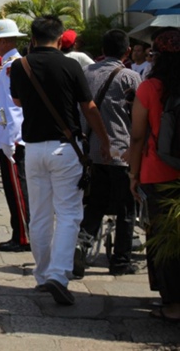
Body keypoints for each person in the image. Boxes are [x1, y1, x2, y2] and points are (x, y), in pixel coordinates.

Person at [9, 16, 110, 306]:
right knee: (68, 214)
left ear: (33, 37)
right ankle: (57, 274)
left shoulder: (20, 65)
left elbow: (17, 101)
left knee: (39, 214)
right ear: (60, 37)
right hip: (65, 148)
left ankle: (42, 274)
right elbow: (88, 107)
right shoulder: (70, 65)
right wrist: (103, 140)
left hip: (33, 148)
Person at [73, 29, 141, 278]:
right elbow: (138, 118)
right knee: (126, 210)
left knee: (95, 204)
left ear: (102, 50)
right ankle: (121, 261)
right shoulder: (131, 78)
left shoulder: (85, 73)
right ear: (127, 51)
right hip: (121, 153)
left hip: (91, 151)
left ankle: (82, 244)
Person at [128, 28, 180, 322]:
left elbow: (137, 137)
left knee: (162, 240)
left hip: (156, 173)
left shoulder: (149, 88)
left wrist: (133, 175)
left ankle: (173, 303)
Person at [0, 20, 30, 252]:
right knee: (12, 188)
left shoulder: (12, 66)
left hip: (11, 139)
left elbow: (14, 107)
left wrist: (13, 139)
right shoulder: (7, 65)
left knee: (17, 189)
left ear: (3, 40)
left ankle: (23, 235)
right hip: (5, 138)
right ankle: (20, 232)